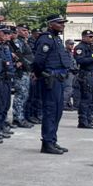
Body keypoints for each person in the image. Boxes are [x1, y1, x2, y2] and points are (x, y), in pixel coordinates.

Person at [32, 15, 70, 153]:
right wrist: (40, 74)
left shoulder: (56, 39)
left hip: (59, 79)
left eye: (63, 23)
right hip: (50, 79)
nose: (62, 25)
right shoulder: (45, 39)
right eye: (59, 23)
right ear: (50, 24)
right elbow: (38, 61)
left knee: (57, 112)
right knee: (50, 111)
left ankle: (52, 140)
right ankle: (47, 143)